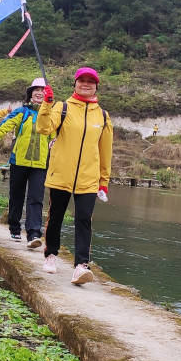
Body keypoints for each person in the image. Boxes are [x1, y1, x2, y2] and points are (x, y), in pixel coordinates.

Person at [36, 67, 113, 285]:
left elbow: (106, 152)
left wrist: (103, 182)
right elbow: (43, 128)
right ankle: (50, 254)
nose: (86, 84)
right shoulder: (62, 107)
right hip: (61, 174)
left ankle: (81, 266)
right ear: (75, 83)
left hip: (89, 178)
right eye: (82, 80)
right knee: (56, 216)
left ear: (96, 86)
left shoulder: (104, 117)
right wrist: (46, 104)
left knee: (84, 219)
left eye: (91, 81)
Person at [0, 78, 54, 248]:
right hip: (19, 161)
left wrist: (54, 142)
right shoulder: (21, 112)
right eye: (36, 89)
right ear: (31, 94)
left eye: (43, 90)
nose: (39, 92)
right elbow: (3, 127)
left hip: (40, 165)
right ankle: (14, 228)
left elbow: (55, 136)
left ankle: (34, 234)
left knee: (36, 198)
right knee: (16, 195)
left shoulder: (51, 116)